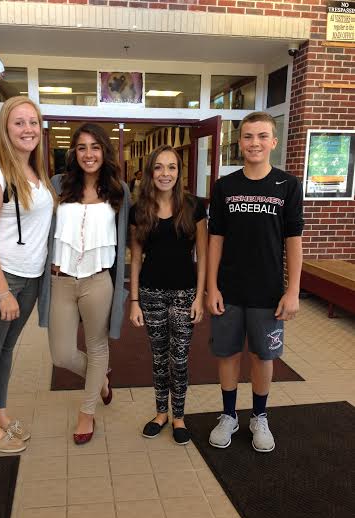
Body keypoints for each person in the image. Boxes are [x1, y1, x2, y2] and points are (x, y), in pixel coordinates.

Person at [207, 111, 304, 453]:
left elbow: (294, 241)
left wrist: (292, 291)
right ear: (239, 143)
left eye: (262, 136)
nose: (254, 143)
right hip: (229, 290)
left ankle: (259, 416)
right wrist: (212, 287)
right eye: (248, 136)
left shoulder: (288, 186)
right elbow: (214, 239)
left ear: (273, 143)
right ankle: (229, 414)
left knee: (263, 357)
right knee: (228, 354)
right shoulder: (225, 186)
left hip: (268, 293)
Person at [0, 96, 55, 453]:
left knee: (6, 351)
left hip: (31, 278)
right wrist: (2, 291)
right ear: (5, 128)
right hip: (0, 278)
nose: (28, 130)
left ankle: (0, 414)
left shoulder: (36, 172)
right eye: (19, 122)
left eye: (33, 123)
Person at [38, 123, 130, 444]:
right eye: (81, 147)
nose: (88, 154)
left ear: (104, 151)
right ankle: (101, 382)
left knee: (97, 345)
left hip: (98, 282)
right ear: (73, 153)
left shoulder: (118, 190)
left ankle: (86, 411)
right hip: (60, 280)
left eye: (95, 147)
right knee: (61, 355)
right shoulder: (58, 185)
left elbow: (128, 238)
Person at [129, 145, 207, 445]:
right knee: (159, 357)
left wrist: (199, 297)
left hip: (185, 293)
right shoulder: (140, 210)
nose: (165, 173)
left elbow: (202, 253)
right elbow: (135, 258)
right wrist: (134, 301)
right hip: (151, 293)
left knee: (180, 358)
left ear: (179, 172)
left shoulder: (194, 207)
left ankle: (179, 417)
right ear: (150, 172)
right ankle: (161, 413)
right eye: (159, 167)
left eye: (171, 167)